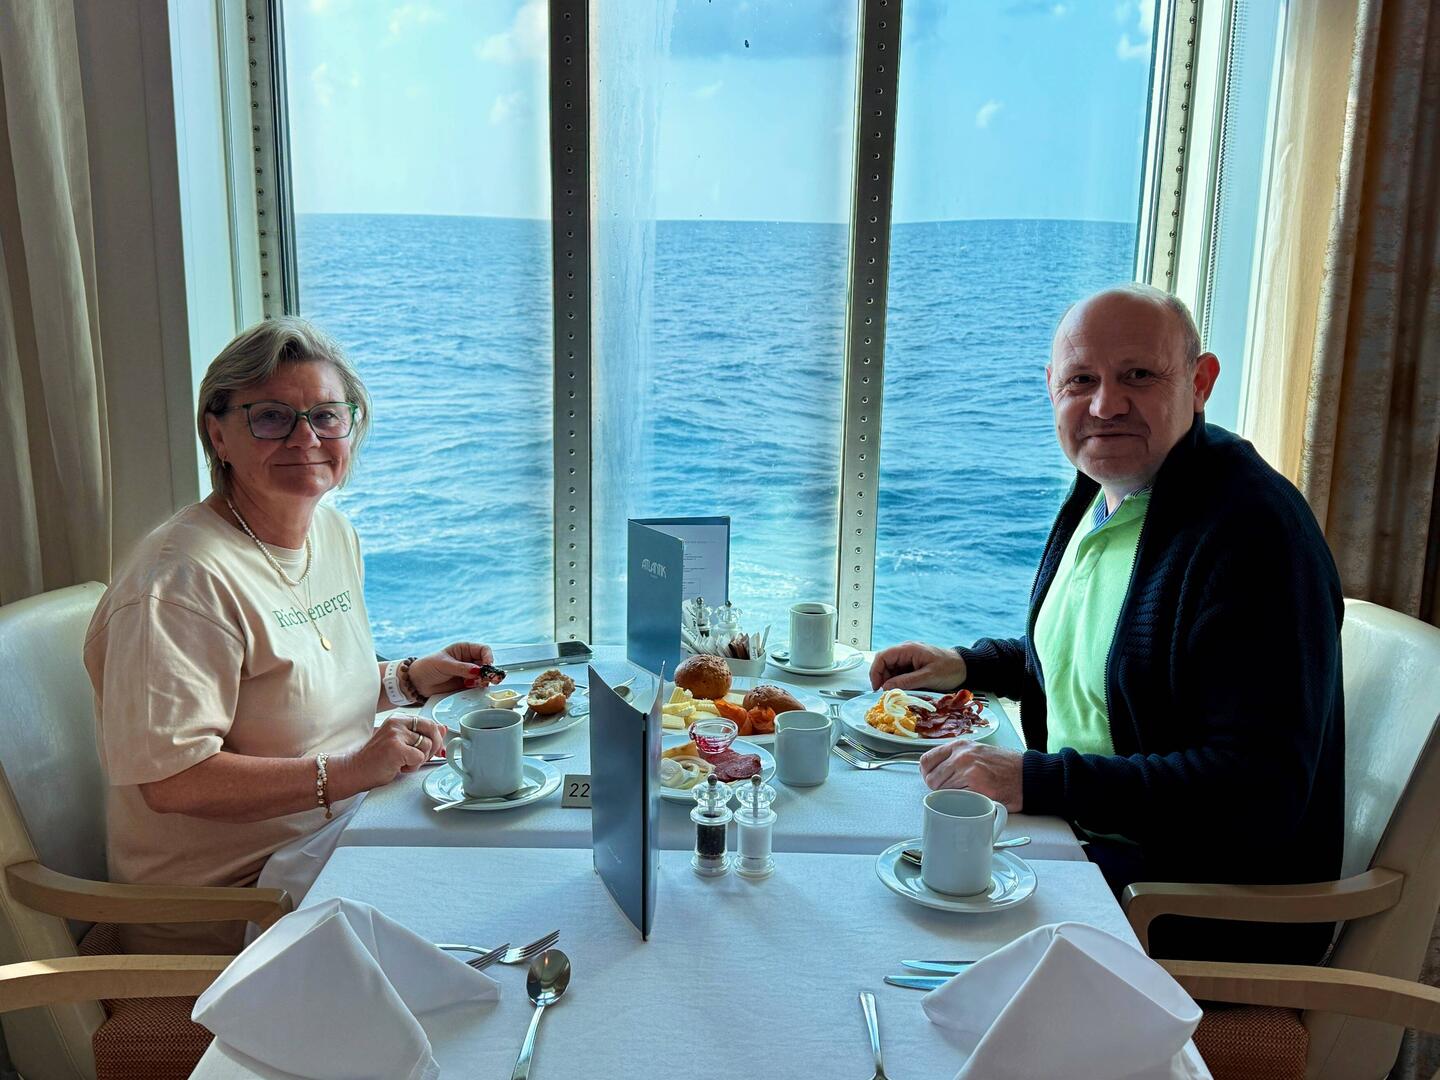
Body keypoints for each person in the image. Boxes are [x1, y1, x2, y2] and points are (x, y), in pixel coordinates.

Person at [870, 284, 1344, 963]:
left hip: (1196, 900)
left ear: (1201, 383)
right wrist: (970, 665)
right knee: (882, 847)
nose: (1105, 406)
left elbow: (1258, 790)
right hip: (1097, 844)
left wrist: (1034, 780)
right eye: (1081, 381)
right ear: (1051, 388)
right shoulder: (1108, 493)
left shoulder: (1253, 533)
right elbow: (1108, 666)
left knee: (899, 926)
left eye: (1138, 375)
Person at [85, 317, 501, 954]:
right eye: (272, 417)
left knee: (504, 853)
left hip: (332, 841)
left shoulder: (331, 535)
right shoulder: (178, 581)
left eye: (327, 416)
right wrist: (349, 771)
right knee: (485, 915)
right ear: (217, 434)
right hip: (236, 905)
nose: (306, 438)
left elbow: (291, 698)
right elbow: (172, 781)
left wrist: (408, 680)